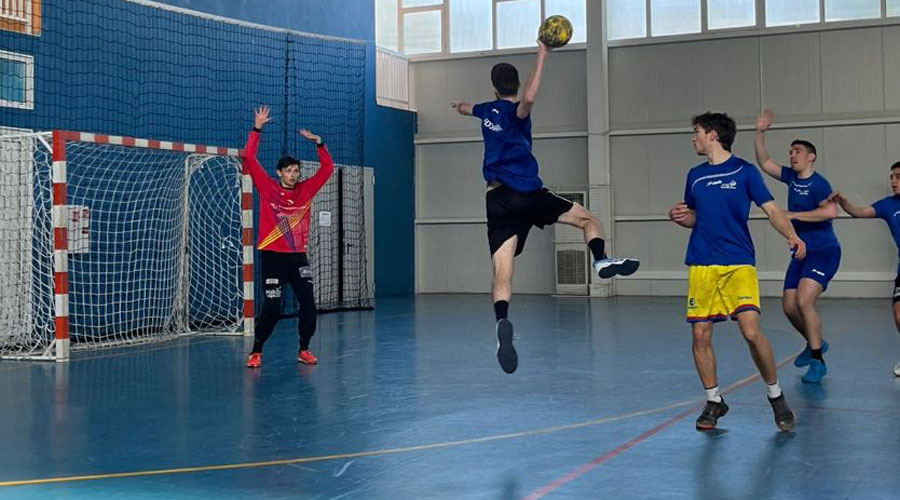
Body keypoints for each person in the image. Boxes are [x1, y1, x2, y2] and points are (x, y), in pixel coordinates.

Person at [452, 40, 639, 374]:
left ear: (494, 87)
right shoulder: (515, 113)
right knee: (588, 220)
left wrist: (462, 107)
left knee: (502, 271)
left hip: (496, 200)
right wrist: (544, 54)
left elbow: (469, 108)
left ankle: (502, 322)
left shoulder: (485, 110)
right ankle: (599, 261)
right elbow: (530, 98)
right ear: (515, 84)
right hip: (528, 194)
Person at [668, 111, 802, 431]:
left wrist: (792, 235)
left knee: (751, 331)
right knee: (700, 334)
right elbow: (694, 217)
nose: (693, 138)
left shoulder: (745, 172)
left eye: (697, 132)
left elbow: (771, 210)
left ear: (713, 135)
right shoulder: (694, 175)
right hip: (702, 262)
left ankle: (776, 395)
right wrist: (679, 216)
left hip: (738, 262)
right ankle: (714, 401)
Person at [754, 109, 840, 383]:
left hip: (824, 250)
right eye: (791, 151)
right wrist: (760, 132)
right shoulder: (791, 177)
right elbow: (765, 162)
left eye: (798, 151)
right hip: (801, 251)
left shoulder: (819, 183)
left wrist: (792, 216)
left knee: (804, 301)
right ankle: (815, 342)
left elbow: (830, 213)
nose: (793, 155)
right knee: (789, 307)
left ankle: (817, 360)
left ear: (811, 156)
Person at [243, 105, 333, 368]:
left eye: (296, 171)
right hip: (272, 257)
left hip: (297, 258)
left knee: (309, 305)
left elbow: (326, 170)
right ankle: (256, 350)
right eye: (289, 171)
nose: (293, 175)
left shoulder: (305, 190)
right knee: (272, 308)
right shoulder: (267, 187)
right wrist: (257, 128)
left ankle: (303, 348)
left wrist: (320, 144)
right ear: (280, 172)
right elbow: (249, 156)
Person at [829, 161, 900, 377]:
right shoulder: (889, 205)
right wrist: (843, 202)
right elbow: (859, 212)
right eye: (892, 177)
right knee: (898, 316)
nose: (894, 181)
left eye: (898, 176)